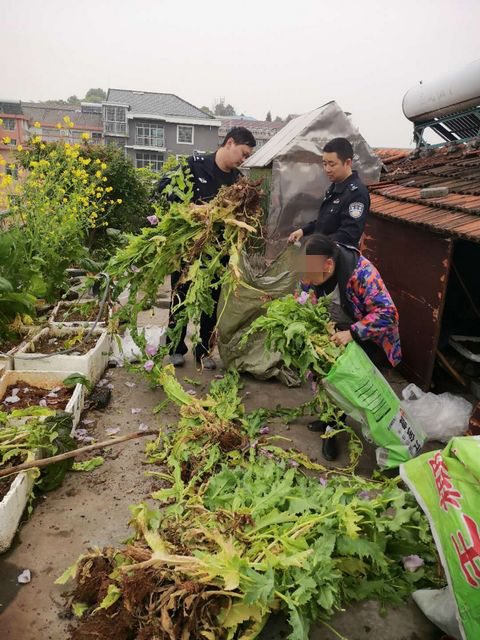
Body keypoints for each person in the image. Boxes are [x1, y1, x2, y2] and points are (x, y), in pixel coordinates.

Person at [156, 127, 256, 369]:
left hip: (217, 252)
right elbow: (163, 187)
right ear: (229, 143)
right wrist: (187, 206)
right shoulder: (194, 165)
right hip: (189, 248)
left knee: (211, 302)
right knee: (180, 296)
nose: (243, 159)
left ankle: (203, 351)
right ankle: (176, 348)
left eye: (246, 157)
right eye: (243, 153)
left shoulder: (238, 181)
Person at [300, 233, 401, 461]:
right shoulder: (314, 270)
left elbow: (389, 314)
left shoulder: (362, 274)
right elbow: (304, 294)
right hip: (339, 331)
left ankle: (335, 431)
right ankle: (330, 420)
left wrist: (353, 333)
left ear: (328, 264)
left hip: (370, 340)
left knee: (350, 387)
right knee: (327, 378)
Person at [288, 137, 370, 248]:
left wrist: (314, 243)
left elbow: (349, 234)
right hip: (321, 253)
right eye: (325, 164)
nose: (327, 169)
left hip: (335, 259)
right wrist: (303, 231)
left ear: (347, 163)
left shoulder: (356, 193)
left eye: (332, 164)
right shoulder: (335, 187)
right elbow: (324, 222)